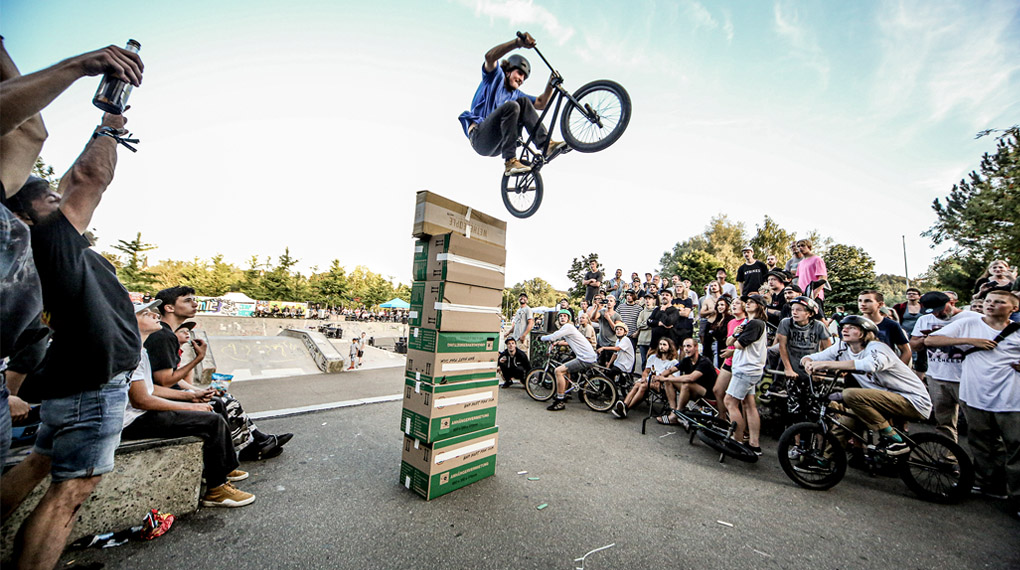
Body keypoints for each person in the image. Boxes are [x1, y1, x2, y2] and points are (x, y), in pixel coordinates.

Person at [0, 112, 142, 570]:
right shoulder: (46, 239)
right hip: (94, 384)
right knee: (71, 492)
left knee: (40, 461)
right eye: (51, 200)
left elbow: (31, 338)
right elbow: (88, 177)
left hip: (72, 379)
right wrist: (108, 129)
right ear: (28, 213)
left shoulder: (29, 247)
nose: (62, 203)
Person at [122, 300, 255, 507]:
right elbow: (141, 400)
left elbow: (151, 388)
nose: (155, 315)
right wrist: (190, 406)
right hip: (132, 421)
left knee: (216, 404)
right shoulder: (130, 353)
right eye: (146, 314)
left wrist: (191, 396)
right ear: (130, 322)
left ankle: (220, 469)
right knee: (211, 421)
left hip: (140, 412)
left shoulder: (141, 351)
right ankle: (216, 490)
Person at [146, 286, 291, 460]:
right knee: (222, 402)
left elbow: (170, 377)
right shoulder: (164, 336)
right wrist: (198, 359)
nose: (194, 304)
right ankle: (245, 451)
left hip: (166, 394)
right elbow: (165, 381)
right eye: (187, 300)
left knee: (226, 399)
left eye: (194, 299)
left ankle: (258, 441)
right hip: (161, 400)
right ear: (169, 307)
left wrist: (195, 390)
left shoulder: (166, 334)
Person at [926, 290, 1020, 511]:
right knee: (982, 444)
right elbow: (932, 340)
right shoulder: (969, 323)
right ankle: (989, 485)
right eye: (988, 301)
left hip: (1011, 399)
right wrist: (970, 341)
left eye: (999, 302)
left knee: (1016, 448)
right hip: (975, 395)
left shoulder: (1017, 331)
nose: (991, 305)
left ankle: (1016, 497)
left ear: (1013, 308)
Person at [803, 316, 932, 457]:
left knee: (850, 394)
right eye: (844, 327)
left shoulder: (878, 348)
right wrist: (808, 364)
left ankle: (893, 438)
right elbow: (815, 357)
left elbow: (869, 365)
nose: (845, 329)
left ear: (865, 332)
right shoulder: (842, 347)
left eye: (852, 327)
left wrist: (827, 364)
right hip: (880, 400)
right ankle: (825, 461)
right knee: (844, 423)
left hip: (912, 400)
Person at [458, 32, 565, 176]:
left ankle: (546, 145)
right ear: (508, 71)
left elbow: (541, 103)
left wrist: (550, 84)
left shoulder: (517, 95)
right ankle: (510, 162)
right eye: (519, 74)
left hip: (497, 144)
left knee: (523, 103)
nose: (521, 79)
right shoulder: (495, 77)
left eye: (524, 78)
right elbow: (490, 57)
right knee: (513, 106)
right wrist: (517, 43)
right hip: (479, 138)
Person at [908, 291, 982, 443]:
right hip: (937, 376)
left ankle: (982, 461)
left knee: (977, 423)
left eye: (940, 310)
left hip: (967, 377)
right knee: (944, 423)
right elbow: (914, 345)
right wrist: (928, 339)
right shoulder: (924, 320)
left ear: (952, 303)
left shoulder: (973, 318)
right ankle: (949, 458)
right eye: (932, 311)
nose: (936, 314)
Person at [723, 294, 769, 455]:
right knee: (748, 404)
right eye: (747, 302)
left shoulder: (756, 323)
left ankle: (737, 439)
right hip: (746, 368)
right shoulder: (747, 322)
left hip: (746, 369)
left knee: (729, 401)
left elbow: (738, 345)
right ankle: (754, 444)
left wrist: (735, 337)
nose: (747, 304)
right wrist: (734, 336)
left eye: (751, 302)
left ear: (759, 306)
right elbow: (729, 342)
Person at [776, 296, 832, 423]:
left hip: (813, 371)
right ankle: (796, 441)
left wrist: (821, 369)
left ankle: (817, 440)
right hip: (795, 370)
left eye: (799, 310)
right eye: (793, 309)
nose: (794, 312)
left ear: (810, 313)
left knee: (816, 410)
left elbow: (828, 349)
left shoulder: (818, 326)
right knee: (794, 409)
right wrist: (788, 368)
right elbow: (782, 346)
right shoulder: (786, 323)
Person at [539, 310, 598, 411]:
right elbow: (565, 339)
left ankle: (560, 400)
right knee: (565, 370)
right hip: (586, 356)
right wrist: (557, 343)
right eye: (560, 316)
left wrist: (541, 338)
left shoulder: (568, 327)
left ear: (569, 319)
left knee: (558, 371)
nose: (562, 318)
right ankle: (564, 393)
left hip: (584, 358)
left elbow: (554, 336)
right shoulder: (568, 328)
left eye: (565, 316)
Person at [613, 337, 678, 419]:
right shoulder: (653, 357)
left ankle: (626, 408)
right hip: (649, 380)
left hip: (661, 384)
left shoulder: (673, 362)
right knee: (637, 385)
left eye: (664, 345)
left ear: (670, 347)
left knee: (642, 386)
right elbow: (646, 371)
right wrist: (644, 378)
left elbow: (673, 379)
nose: (661, 346)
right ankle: (625, 406)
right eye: (660, 344)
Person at [658, 338, 718, 426]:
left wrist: (666, 379)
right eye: (684, 346)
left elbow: (691, 378)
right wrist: (660, 376)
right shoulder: (687, 360)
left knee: (686, 384)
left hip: (707, 394)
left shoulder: (704, 361)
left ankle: (676, 415)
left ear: (696, 347)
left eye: (689, 346)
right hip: (693, 391)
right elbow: (671, 370)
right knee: (669, 378)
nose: (686, 349)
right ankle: (673, 410)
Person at [713, 297, 747, 419]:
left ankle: (742, 426)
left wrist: (731, 352)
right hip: (728, 361)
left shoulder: (747, 322)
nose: (734, 305)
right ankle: (722, 417)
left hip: (740, 363)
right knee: (717, 390)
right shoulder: (731, 322)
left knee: (739, 399)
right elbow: (729, 342)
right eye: (732, 303)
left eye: (737, 303)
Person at [857, 290, 911, 365]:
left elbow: (906, 351)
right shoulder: (853, 324)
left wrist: (898, 370)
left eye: (868, 301)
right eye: (860, 301)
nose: (862, 304)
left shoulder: (891, 325)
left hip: (884, 368)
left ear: (880, 304)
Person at [894, 288, 927, 379]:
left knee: (920, 355)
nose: (911, 295)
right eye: (909, 293)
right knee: (906, 352)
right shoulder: (900, 307)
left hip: (919, 334)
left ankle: (920, 377)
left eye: (914, 293)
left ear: (919, 296)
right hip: (905, 334)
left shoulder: (924, 307)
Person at [796, 239, 828, 315]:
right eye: (798, 246)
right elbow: (799, 279)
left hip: (814, 294)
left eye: (803, 245)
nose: (800, 248)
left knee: (819, 318)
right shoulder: (800, 263)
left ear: (809, 247)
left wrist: (815, 293)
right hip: (803, 294)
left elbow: (822, 278)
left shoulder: (817, 259)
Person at [595, 294, 620, 366]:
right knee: (600, 364)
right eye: (607, 300)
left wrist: (608, 319)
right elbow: (593, 318)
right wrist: (597, 306)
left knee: (609, 365)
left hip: (611, 343)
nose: (609, 302)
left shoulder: (617, 315)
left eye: (611, 301)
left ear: (614, 303)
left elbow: (616, 330)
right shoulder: (602, 312)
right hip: (601, 342)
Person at [635, 292, 657, 371]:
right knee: (644, 361)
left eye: (649, 299)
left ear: (653, 300)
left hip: (652, 340)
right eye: (646, 299)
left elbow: (656, 323)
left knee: (653, 361)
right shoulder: (642, 312)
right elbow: (638, 325)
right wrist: (648, 323)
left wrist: (649, 323)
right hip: (642, 340)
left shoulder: (656, 311)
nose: (647, 301)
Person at [509, 292, 535, 357]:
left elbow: (531, 323)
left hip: (522, 339)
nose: (522, 298)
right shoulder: (518, 310)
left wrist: (524, 335)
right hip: (515, 339)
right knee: (514, 357)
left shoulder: (528, 309)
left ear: (527, 300)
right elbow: (516, 324)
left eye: (524, 297)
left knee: (522, 358)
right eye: (521, 297)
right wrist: (508, 333)